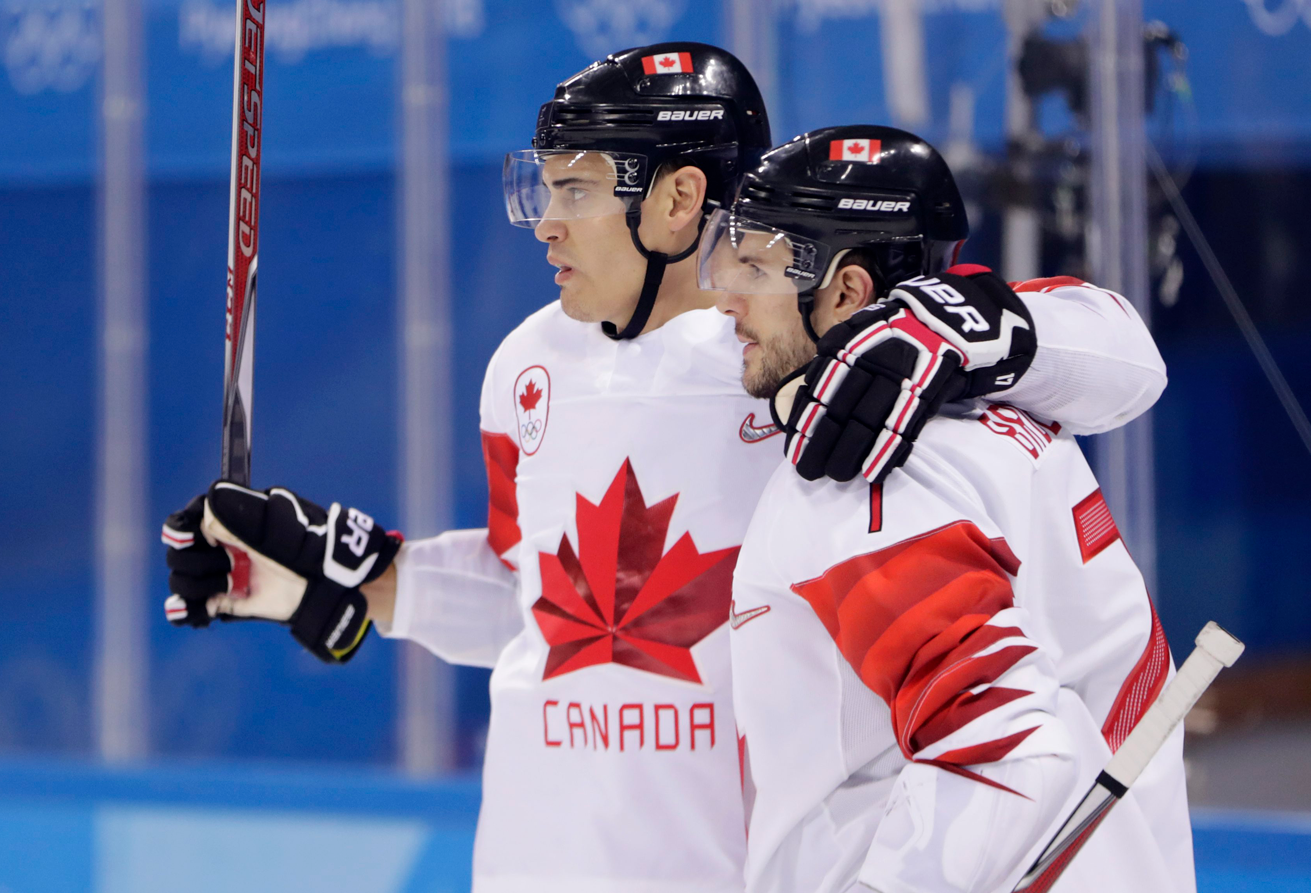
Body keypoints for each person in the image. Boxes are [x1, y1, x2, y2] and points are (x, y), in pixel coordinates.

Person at [160, 51, 1170, 893]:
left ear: (680, 199)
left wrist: (977, 323)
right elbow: (548, 609)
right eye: (540, 186)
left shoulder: (828, 379)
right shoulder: (526, 363)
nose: (544, 220)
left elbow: (1117, 357)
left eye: (576, 188)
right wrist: (371, 578)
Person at [702, 124, 1190, 893]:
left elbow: (1005, 752)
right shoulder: (1015, 408)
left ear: (847, 290)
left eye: (756, 265)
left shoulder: (862, 474)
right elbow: (1123, 351)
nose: (726, 294)